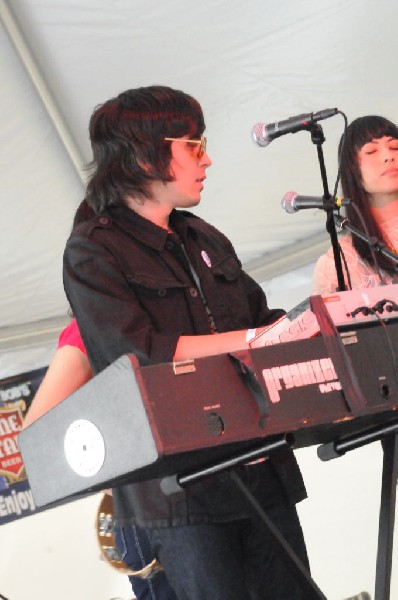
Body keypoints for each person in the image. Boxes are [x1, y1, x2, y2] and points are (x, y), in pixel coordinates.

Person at [63, 85, 309, 599]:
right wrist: (249, 339)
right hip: (182, 495)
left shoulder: (204, 237)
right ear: (143, 153)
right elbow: (137, 353)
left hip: (260, 466)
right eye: (193, 145)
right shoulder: (93, 249)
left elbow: (262, 318)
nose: (208, 159)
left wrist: (316, 324)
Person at [22, 316, 179, 600]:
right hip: (148, 511)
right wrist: (118, 484)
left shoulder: (168, 313)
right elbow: (36, 435)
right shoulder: (89, 327)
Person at [313, 115, 398, 294]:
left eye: (394, 147)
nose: (388, 156)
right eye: (371, 151)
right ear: (352, 169)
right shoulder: (339, 263)